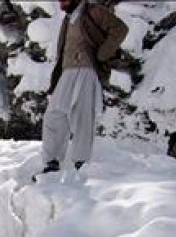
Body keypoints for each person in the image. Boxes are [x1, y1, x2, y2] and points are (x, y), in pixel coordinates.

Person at [39, 0, 128, 175]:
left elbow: (120, 29)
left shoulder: (93, 11)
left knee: (83, 115)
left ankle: (81, 162)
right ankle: (53, 161)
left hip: (87, 69)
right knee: (54, 114)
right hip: (68, 72)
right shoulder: (68, 19)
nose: (61, 3)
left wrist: (103, 54)